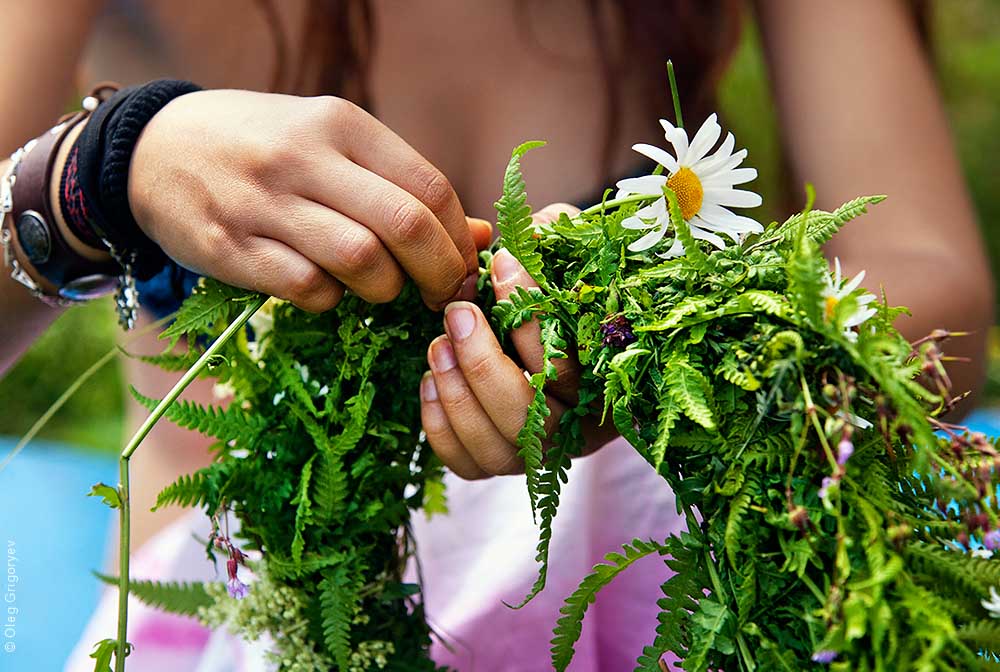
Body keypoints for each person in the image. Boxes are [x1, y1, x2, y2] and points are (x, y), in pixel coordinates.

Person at [0, 1, 992, 670]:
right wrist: (105, 169)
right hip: (268, 616)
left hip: (675, 596)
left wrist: (650, 342)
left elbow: (927, 278)